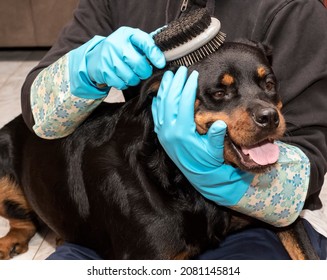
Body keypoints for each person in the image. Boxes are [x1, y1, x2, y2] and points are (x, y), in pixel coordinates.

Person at [21, 0, 327, 260]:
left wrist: (229, 181)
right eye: (221, 93)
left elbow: (311, 161)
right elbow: (35, 115)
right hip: (145, 191)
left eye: (267, 85)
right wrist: (84, 70)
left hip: (253, 221)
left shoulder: (292, 9)